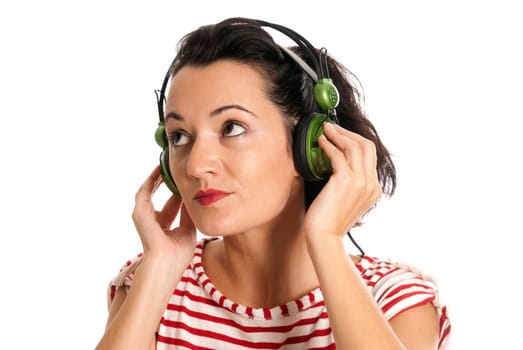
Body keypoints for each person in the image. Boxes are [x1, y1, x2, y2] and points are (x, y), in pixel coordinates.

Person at [96, 17, 451, 349]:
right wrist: (158, 267)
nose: (196, 165)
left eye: (231, 128)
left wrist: (326, 240)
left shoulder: (395, 298)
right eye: (179, 136)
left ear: (311, 147)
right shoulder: (148, 283)